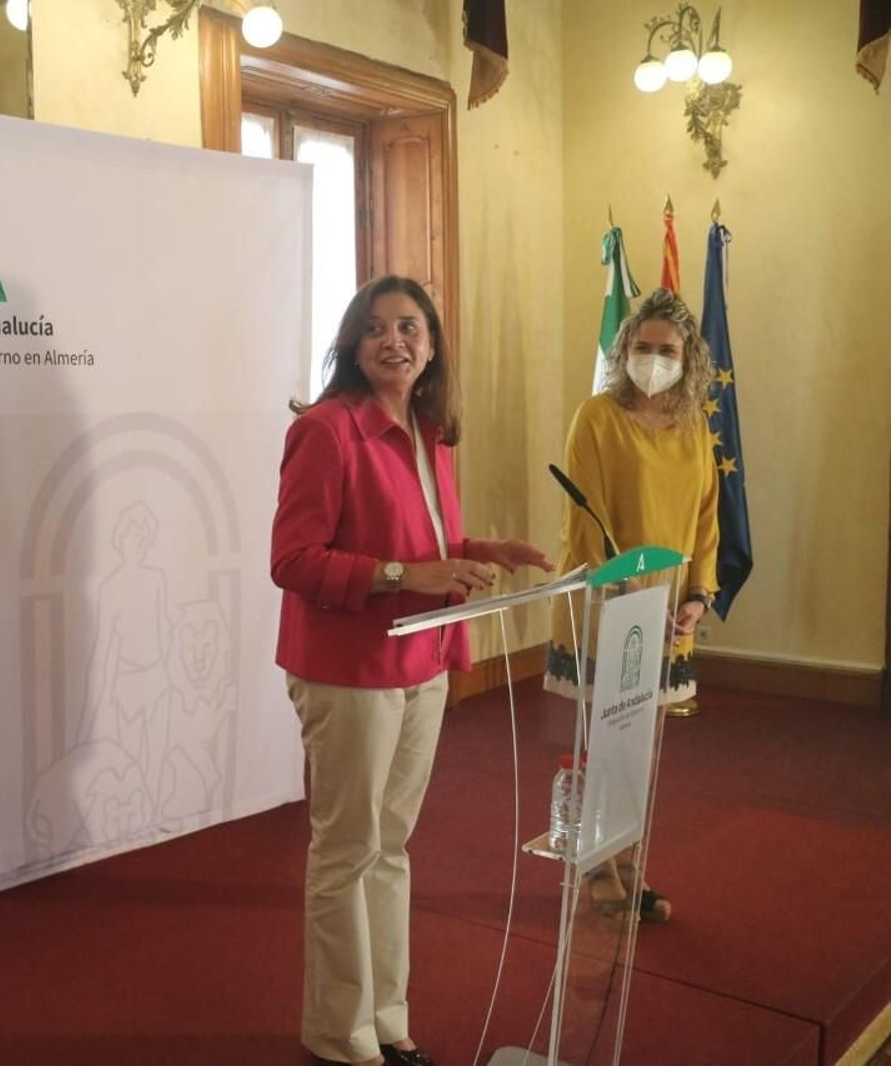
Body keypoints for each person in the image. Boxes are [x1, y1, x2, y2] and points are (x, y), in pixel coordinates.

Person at [270, 275, 553, 1066]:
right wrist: (404, 575)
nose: (395, 340)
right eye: (376, 328)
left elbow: (428, 551)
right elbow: (293, 560)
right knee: (346, 850)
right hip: (348, 668)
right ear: (353, 347)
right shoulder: (327, 432)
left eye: (410, 326)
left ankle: (386, 1018)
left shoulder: (430, 432)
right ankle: (337, 1031)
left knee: (390, 847)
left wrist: (480, 553)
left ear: (431, 345)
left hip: (420, 662)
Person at [543, 286, 719, 924]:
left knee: (643, 748)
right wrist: (616, 591)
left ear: (688, 355)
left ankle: (628, 858)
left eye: (666, 349)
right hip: (607, 605)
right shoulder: (597, 416)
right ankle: (597, 864)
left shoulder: (697, 426)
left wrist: (698, 595)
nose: (653, 358)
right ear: (624, 350)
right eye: (641, 347)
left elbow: (705, 520)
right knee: (606, 740)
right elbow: (584, 520)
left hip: (669, 615)